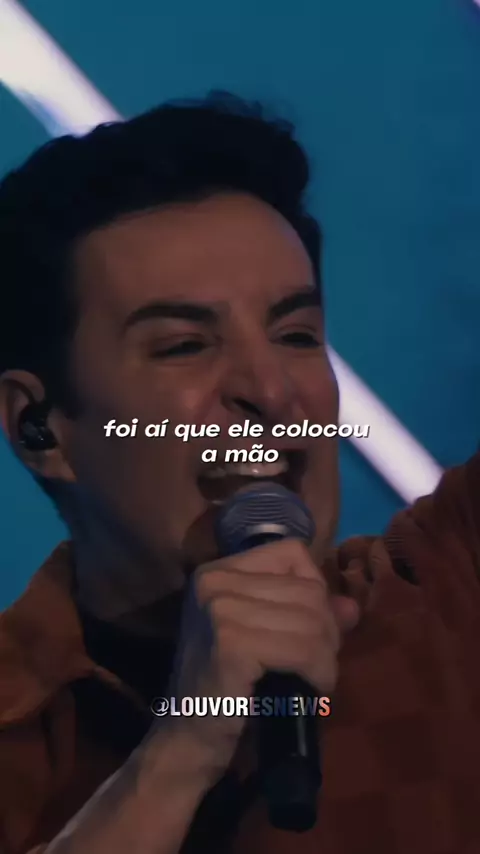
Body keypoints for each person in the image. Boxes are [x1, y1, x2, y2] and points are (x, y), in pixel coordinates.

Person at [0, 93, 478, 854]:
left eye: (296, 335)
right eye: (185, 346)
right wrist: (181, 752)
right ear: (39, 427)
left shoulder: (454, 590)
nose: (273, 393)